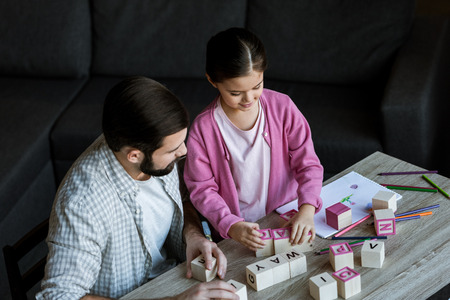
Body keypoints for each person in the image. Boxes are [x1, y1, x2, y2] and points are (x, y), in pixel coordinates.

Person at [37, 77, 238, 300]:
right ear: (134, 155)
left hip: (173, 277)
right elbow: (59, 296)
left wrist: (193, 235)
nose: (183, 151)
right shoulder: (83, 203)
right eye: (172, 150)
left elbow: (182, 198)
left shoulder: (153, 145)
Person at [184, 28, 324, 252]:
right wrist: (232, 225)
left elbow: (308, 163)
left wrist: (306, 209)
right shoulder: (203, 129)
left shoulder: (283, 107)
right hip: (236, 232)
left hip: (285, 220)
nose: (248, 98)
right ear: (212, 81)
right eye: (236, 93)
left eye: (257, 86)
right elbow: (202, 189)